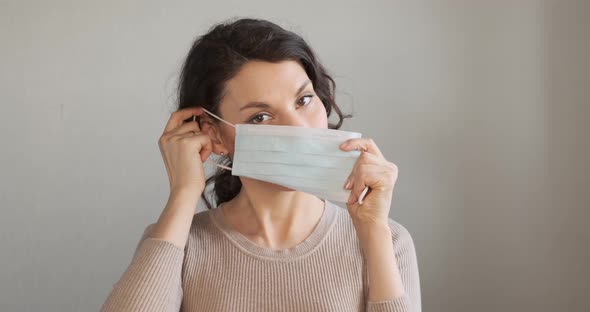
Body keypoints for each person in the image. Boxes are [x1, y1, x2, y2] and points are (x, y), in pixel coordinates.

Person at [101, 18, 421, 312]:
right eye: (261, 117)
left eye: (304, 100)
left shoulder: (388, 240)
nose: (299, 129)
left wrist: (373, 233)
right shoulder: (177, 244)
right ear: (215, 134)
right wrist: (184, 193)